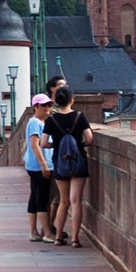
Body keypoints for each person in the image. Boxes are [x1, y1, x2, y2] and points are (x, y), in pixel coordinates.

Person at [47, 95, 93, 245]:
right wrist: (79, 145)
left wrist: (58, 145)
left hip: (61, 162)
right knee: (75, 201)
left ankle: (59, 237)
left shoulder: (51, 120)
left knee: (64, 201)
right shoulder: (79, 117)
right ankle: (75, 238)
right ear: (71, 100)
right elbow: (90, 139)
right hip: (78, 161)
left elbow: (43, 142)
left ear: (56, 102)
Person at [23, 79, 64, 242]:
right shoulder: (35, 122)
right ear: (35, 107)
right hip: (39, 166)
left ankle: (33, 231)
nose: (47, 108)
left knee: (35, 197)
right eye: (43, 106)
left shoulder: (41, 121)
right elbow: (35, 145)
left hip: (35, 166)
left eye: (48, 105)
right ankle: (47, 233)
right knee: (42, 198)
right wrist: (44, 164)